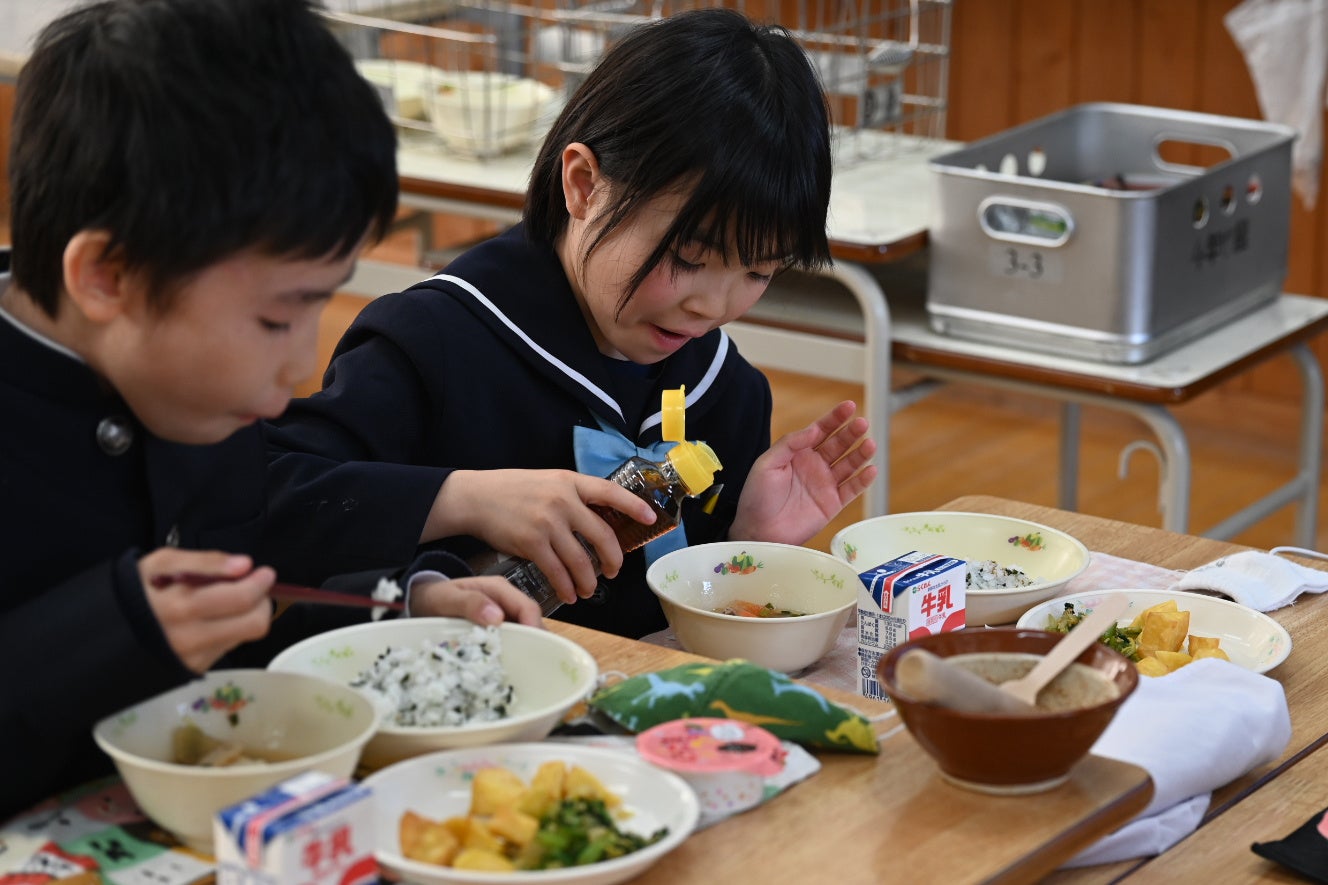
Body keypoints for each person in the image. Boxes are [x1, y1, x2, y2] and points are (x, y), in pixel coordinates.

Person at [0, 0, 552, 821]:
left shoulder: (198, 401)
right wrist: (109, 628)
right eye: (275, 317)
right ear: (107, 276)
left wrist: (389, 606)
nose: (302, 365)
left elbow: (241, 622)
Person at [265, 7, 878, 640]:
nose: (714, 308)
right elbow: (263, 496)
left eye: (758, 272)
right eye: (688, 258)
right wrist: (465, 498)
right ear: (584, 184)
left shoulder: (727, 389)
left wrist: (747, 543)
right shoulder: (427, 344)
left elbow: (680, 639)